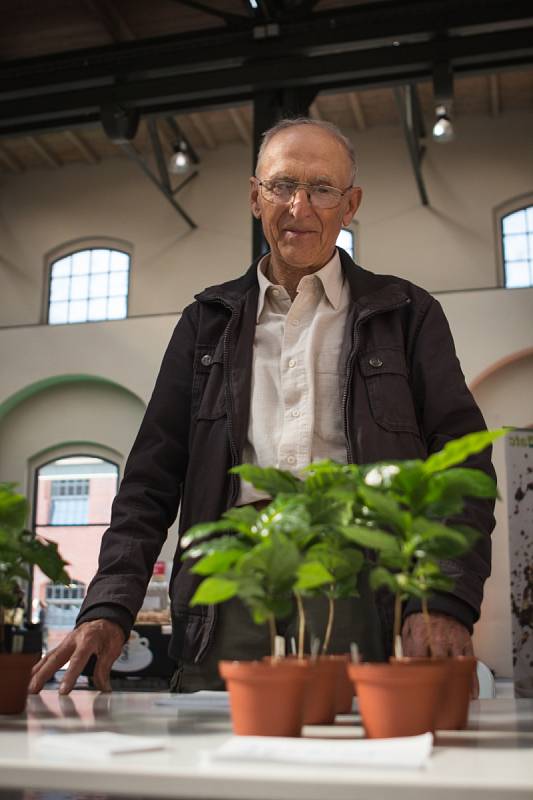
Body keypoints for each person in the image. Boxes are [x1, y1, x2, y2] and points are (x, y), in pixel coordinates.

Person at [29, 117, 496, 695]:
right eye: (282, 186)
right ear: (256, 197)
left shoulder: (406, 314)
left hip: (367, 585)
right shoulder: (206, 323)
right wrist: (108, 607)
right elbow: (149, 479)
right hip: (230, 590)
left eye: (322, 189)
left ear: (350, 206)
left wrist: (444, 599)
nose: (300, 205)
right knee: (222, 758)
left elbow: (461, 467)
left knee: (363, 771)